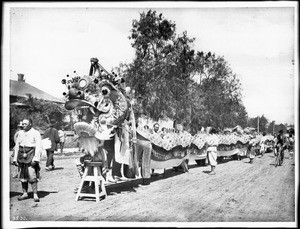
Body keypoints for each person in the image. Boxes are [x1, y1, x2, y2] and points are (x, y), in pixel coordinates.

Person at [13, 118, 42, 202]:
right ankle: (25, 193)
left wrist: (36, 159)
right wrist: (15, 158)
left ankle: (35, 194)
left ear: (30, 124)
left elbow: (39, 147)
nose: (24, 125)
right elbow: (17, 146)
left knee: (32, 175)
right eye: (23, 124)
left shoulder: (35, 133)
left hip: (31, 155)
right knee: (22, 175)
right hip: (21, 156)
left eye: (26, 124)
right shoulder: (20, 133)